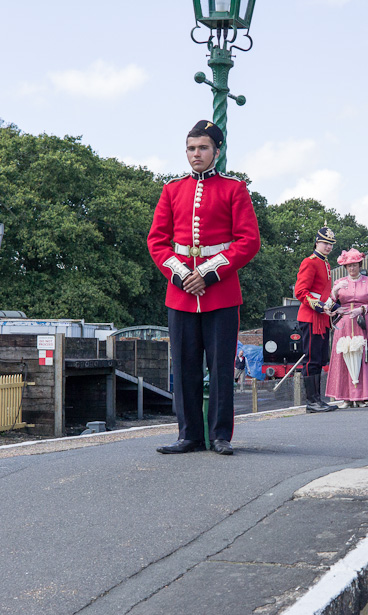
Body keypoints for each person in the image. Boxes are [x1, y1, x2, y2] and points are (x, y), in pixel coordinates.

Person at [147, 120, 261, 455]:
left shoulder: (234, 189)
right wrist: (181, 275)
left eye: (202, 148)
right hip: (181, 293)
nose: (196, 154)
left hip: (221, 293)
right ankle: (189, 435)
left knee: (221, 366)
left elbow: (248, 241)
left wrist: (209, 274)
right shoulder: (172, 190)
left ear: (217, 151)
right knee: (184, 367)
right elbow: (156, 241)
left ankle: (221, 435)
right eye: (191, 148)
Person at [326, 248, 368, 406]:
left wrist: (362, 309)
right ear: (345, 268)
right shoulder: (339, 282)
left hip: (363, 321)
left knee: (363, 358)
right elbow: (330, 304)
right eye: (349, 266)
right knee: (345, 356)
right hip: (345, 323)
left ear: (360, 265)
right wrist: (334, 291)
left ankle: (363, 396)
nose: (352, 268)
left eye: (355, 265)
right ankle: (346, 397)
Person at [295, 227, 340, 413]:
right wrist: (322, 307)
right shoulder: (310, 262)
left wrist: (335, 307)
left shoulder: (326, 264)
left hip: (321, 318)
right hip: (311, 316)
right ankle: (311, 402)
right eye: (325, 243)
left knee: (320, 359)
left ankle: (317, 400)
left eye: (330, 244)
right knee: (311, 360)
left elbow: (324, 294)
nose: (328, 247)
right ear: (317, 242)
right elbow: (300, 292)